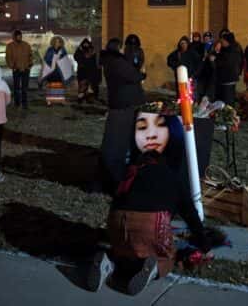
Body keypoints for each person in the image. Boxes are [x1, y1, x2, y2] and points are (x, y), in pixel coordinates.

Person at [88, 111, 211, 295]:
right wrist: (205, 246)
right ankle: (153, 269)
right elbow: (190, 214)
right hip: (151, 225)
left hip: (116, 223)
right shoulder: (173, 177)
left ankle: (109, 261)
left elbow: (118, 199)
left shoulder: (132, 172)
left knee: (126, 250)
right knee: (167, 256)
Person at [100, 38, 147, 187]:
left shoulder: (110, 61)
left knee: (118, 139)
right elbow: (134, 76)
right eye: (122, 47)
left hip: (119, 103)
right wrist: (142, 74)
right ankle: (117, 171)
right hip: (123, 105)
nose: (125, 50)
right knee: (119, 140)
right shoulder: (118, 62)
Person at [213, 32, 243, 105]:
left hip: (228, 79)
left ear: (227, 41)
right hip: (222, 79)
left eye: (223, 41)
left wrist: (216, 57)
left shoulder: (233, 51)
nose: (221, 42)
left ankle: (227, 114)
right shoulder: (225, 49)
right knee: (220, 100)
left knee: (227, 101)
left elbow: (225, 63)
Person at [5, 30, 32, 109]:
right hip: (16, 69)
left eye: (20, 36)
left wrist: (30, 64)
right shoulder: (10, 46)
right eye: (18, 36)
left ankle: (24, 103)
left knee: (24, 88)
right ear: (14, 37)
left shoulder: (26, 45)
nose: (19, 38)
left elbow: (30, 55)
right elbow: (8, 58)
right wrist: (13, 66)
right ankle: (17, 103)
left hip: (26, 69)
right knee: (16, 88)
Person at [43, 36, 69, 105]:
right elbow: (46, 58)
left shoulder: (63, 49)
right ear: (53, 42)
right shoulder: (50, 49)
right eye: (56, 41)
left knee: (60, 86)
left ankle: (61, 100)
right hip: (51, 71)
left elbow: (66, 58)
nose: (57, 43)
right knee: (51, 85)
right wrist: (54, 58)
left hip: (60, 71)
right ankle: (49, 100)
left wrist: (60, 58)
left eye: (59, 42)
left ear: (61, 42)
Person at [74, 38, 101, 103]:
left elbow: (95, 62)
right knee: (82, 87)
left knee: (91, 87)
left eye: (87, 44)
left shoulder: (92, 51)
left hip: (91, 72)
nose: (86, 45)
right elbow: (77, 57)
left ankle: (90, 99)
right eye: (84, 44)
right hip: (82, 72)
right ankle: (81, 98)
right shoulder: (79, 51)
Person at [195, 32, 215, 101]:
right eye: (205, 37)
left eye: (208, 37)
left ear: (210, 38)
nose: (207, 39)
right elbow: (197, 57)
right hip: (202, 71)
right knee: (201, 90)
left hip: (210, 71)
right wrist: (202, 58)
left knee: (209, 90)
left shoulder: (213, 46)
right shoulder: (201, 46)